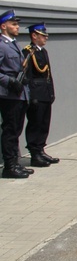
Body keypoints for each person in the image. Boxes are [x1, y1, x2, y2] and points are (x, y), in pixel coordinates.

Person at [0, 10, 33, 178]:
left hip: (19, 93)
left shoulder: (13, 44)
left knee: (16, 130)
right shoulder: (1, 45)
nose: (17, 26)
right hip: (8, 94)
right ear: (3, 26)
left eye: (17, 24)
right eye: (14, 24)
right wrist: (9, 81)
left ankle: (15, 162)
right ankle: (9, 166)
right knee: (10, 130)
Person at [23, 23, 59, 167]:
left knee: (44, 123)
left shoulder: (43, 52)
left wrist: (51, 93)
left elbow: (48, 75)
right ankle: (34, 154)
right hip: (36, 95)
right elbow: (27, 77)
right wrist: (32, 96)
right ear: (34, 36)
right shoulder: (28, 52)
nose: (46, 38)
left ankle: (41, 149)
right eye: (43, 35)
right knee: (35, 123)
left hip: (45, 92)